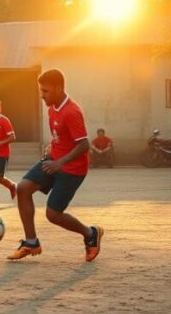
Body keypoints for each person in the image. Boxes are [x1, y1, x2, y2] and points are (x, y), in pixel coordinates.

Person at [7, 69, 103, 262]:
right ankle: (31, 242)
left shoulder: (72, 111)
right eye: (40, 91)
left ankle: (90, 233)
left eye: (45, 91)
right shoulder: (52, 107)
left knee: (53, 214)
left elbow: (84, 145)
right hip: (54, 160)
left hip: (72, 169)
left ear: (58, 88)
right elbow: (61, 136)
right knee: (23, 188)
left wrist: (60, 162)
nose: (41, 96)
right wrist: (53, 148)